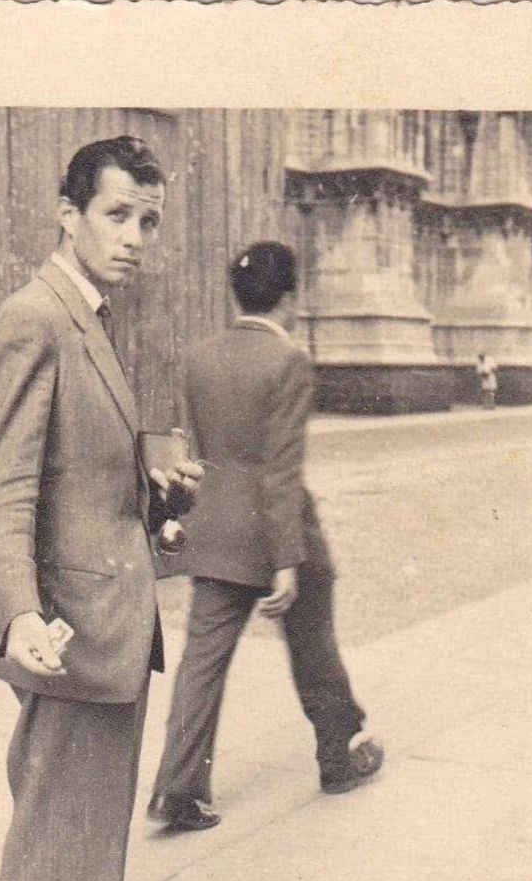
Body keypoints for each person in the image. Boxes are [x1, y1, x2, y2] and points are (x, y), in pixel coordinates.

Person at [0, 136, 202, 881]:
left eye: (148, 220)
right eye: (116, 215)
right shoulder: (37, 318)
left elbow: (79, 460)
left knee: (78, 818)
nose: (136, 237)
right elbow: (2, 485)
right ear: (66, 215)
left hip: (103, 613)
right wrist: (19, 611)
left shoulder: (92, 317)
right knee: (62, 825)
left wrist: (149, 478)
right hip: (70, 626)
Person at [147, 241, 383, 833]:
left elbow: (201, 453)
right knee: (313, 642)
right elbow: (280, 469)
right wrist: (286, 561)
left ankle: (179, 789)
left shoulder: (200, 357)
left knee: (201, 663)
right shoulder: (289, 362)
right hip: (281, 534)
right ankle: (338, 755)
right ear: (290, 298)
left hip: (218, 530)